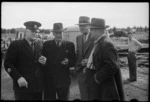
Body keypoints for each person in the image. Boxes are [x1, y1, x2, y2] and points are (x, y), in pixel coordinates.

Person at [85, 18, 125, 101]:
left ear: (97, 30)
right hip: (100, 85)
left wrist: (97, 78)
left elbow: (112, 66)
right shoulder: (100, 42)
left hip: (104, 85)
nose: (90, 32)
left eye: (91, 29)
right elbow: (100, 60)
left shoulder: (106, 44)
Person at [4, 21, 43, 100]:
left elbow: (37, 65)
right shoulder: (16, 45)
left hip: (37, 89)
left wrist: (43, 62)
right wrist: (18, 78)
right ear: (26, 31)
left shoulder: (39, 46)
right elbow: (8, 63)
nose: (35, 33)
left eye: (36, 31)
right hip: (23, 88)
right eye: (32, 31)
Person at [40, 23, 76, 100]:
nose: (58, 35)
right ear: (53, 33)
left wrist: (68, 62)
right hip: (49, 80)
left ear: (63, 32)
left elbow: (74, 61)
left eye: (60, 32)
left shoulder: (70, 45)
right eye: (56, 33)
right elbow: (43, 61)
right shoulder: (47, 44)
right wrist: (43, 61)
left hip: (63, 81)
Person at [75, 16, 94, 100]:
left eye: (84, 25)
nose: (81, 28)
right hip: (81, 74)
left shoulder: (94, 37)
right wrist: (78, 64)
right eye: (80, 26)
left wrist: (89, 61)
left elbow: (99, 54)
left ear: (89, 26)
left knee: (93, 95)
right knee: (84, 96)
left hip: (92, 72)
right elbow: (78, 54)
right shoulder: (78, 38)